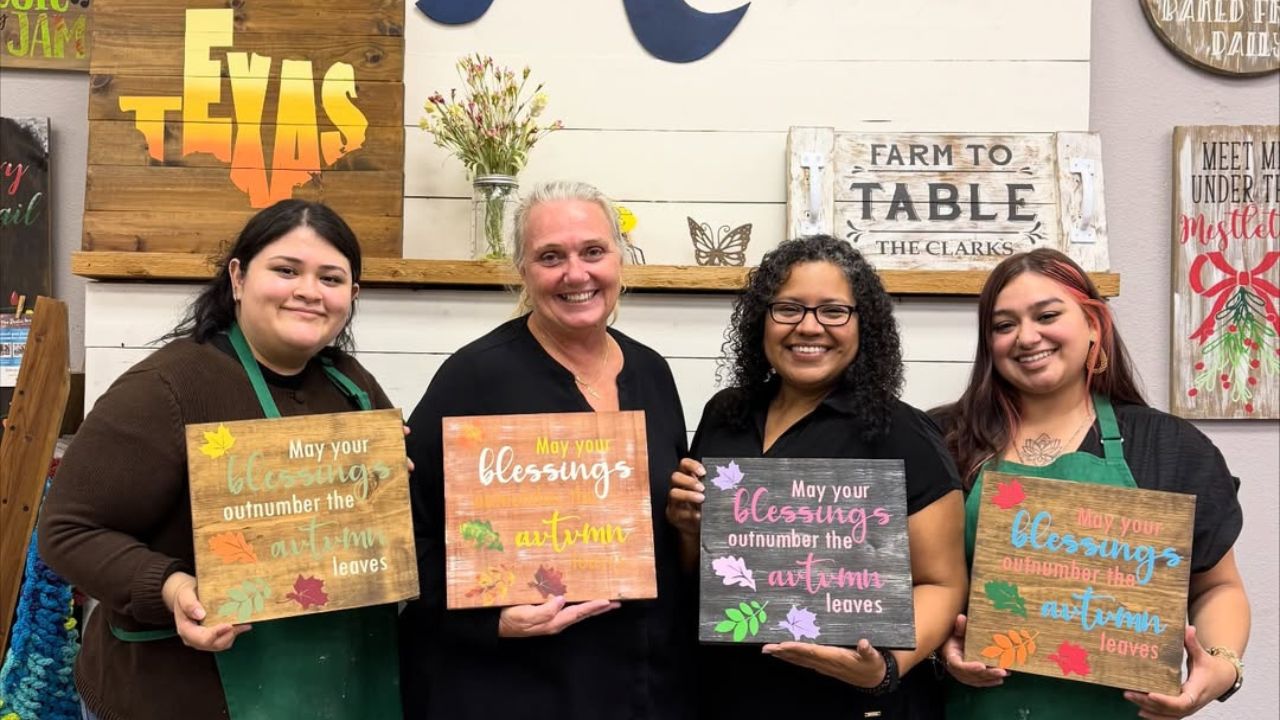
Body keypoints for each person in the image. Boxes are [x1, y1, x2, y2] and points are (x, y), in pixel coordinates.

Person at [38, 200, 402, 720]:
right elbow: (67, 530)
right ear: (237, 276)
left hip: (331, 683)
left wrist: (391, 485)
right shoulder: (166, 388)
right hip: (178, 693)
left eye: (330, 278)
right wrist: (171, 586)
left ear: (352, 296)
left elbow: (367, 526)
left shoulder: (353, 386)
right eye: (285, 270)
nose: (308, 291)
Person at [399, 180, 695, 719]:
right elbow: (405, 532)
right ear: (523, 272)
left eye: (593, 252)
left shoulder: (652, 371)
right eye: (550, 257)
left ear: (620, 261)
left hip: (646, 685)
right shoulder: (474, 377)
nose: (576, 274)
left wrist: (686, 520)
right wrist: (487, 622)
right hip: (520, 687)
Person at [934, 248, 1250, 719]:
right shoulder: (941, 440)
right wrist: (942, 648)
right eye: (1003, 325)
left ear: (1094, 325)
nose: (1026, 337)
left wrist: (1221, 667)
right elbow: (915, 582)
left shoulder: (1167, 446)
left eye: (1047, 315)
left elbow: (1216, 587)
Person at [667, 235, 968, 719]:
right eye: (788, 308)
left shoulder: (902, 432)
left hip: (845, 701)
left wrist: (885, 668)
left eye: (833, 311)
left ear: (863, 324)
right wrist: (686, 527)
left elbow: (942, 582)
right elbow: (700, 570)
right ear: (761, 320)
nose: (808, 327)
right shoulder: (726, 414)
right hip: (725, 692)